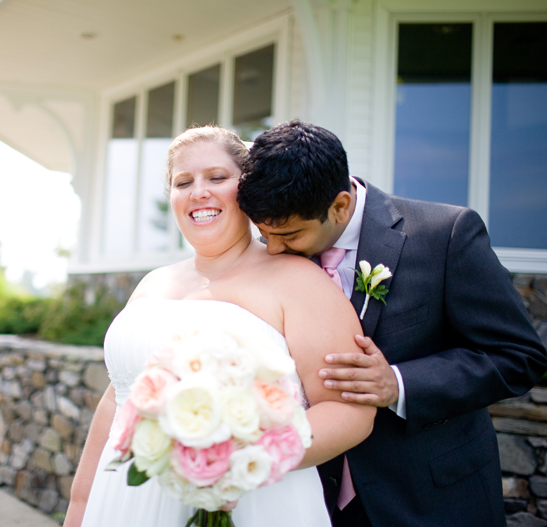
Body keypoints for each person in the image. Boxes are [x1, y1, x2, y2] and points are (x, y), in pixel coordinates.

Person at [237, 119, 547, 526]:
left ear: (341, 205)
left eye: (290, 235)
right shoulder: (270, 253)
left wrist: (399, 384)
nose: (273, 249)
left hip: (429, 500)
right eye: (265, 234)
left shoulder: (445, 234)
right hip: (311, 499)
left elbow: (520, 356)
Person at [64, 126, 376, 527]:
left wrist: (240, 461)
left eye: (217, 177)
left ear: (244, 190)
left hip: (253, 502)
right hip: (124, 504)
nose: (198, 192)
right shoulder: (152, 283)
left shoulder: (301, 281)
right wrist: (80, 505)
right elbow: (118, 400)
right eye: (182, 182)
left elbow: (349, 411)